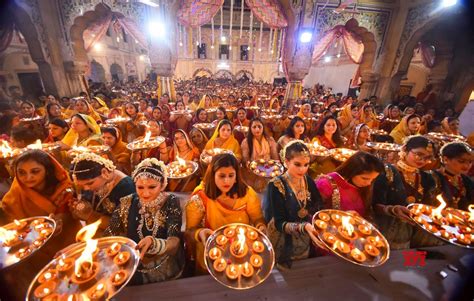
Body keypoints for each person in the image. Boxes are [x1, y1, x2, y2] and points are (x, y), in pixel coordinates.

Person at [0, 150, 82, 300]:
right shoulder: (11, 199)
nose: (28, 177)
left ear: (47, 170)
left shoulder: (64, 188)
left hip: (66, 241)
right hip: (33, 250)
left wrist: (61, 219)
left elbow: (70, 214)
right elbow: (13, 229)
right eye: (22, 173)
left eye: (35, 171)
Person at [105, 158, 184, 284]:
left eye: (152, 187)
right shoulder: (127, 202)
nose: (145, 193)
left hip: (165, 268)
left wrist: (154, 244)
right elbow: (110, 232)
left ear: (163, 184)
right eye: (140, 187)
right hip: (133, 268)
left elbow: (174, 242)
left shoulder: (170, 201)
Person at [185, 153, 266, 273]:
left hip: (240, 250)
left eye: (231, 175)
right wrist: (200, 233)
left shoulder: (248, 194)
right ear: (213, 176)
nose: (226, 181)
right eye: (221, 176)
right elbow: (189, 231)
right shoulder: (199, 199)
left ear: (236, 177)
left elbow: (257, 219)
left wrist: (261, 227)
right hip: (212, 253)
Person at [264, 141, 322, 268]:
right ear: (286, 162)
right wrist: (303, 227)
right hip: (283, 238)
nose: (302, 169)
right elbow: (279, 223)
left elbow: (318, 204)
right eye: (297, 164)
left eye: (306, 165)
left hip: (306, 236)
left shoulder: (307, 180)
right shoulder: (276, 186)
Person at [372, 135, 437, 249]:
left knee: (413, 262)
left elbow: (428, 206)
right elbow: (373, 204)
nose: (422, 160)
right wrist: (392, 210)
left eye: (427, 157)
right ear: (405, 149)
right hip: (387, 230)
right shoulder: (387, 172)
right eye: (419, 154)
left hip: (416, 231)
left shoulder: (427, 178)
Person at [69, 152, 136, 232]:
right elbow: (87, 205)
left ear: (104, 172)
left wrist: (90, 215)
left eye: (90, 183)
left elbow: (123, 227)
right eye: (82, 185)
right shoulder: (92, 184)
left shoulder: (127, 187)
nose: (86, 188)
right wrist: (79, 208)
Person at [315, 151, 384, 220]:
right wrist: (341, 216)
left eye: (373, 179)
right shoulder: (326, 184)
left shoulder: (363, 187)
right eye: (364, 178)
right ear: (352, 171)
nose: (369, 183)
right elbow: (313, 211)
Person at [241, 118, 280, 192]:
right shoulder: (246, 142)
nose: (257, 129)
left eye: (259, 126)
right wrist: (249, 164)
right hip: (253, 171)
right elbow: (245, 157)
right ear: (250, 128)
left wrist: (276, 166)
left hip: (268, 169)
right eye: (254, 127)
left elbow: (275, 156)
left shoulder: (270, 140)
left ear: (263, 127)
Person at [432, 142, 473, 210]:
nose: (467, 165)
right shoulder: (432, 177)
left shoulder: (467, 181)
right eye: (461, 161)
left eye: (470, 162)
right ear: (445, 159)